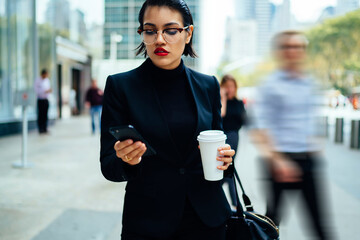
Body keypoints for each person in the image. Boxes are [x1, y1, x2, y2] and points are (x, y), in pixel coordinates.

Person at [100, 1, 236, 239]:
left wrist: (225, 161)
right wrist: (127, 160)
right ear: (142, 34)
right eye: (150, 31)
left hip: (207, 220)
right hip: (148, 222)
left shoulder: (209, 85)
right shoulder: (120, 86)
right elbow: (109, 166)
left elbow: (217, 149)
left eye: (171, 30)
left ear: (188, 33)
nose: (159, 40)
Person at [252, 31, 335, 239]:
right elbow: (260, 129)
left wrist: (315, 145)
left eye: (298, 47)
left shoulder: (309, 83)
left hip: (307, 159)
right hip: (279, 160)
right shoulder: (270, 85)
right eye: (288, 47)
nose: (293, 51)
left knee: (319, 224)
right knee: (271, 223)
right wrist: (279, 162)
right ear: (280, 52)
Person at [220, 74, 247, 209]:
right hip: (222, 137)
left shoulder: (239, 102)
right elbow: (221, 115)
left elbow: (243, 120)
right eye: (227, 86)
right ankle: (236, 204)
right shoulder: (220, 102)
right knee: (228, 168)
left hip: (233, 136)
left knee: (229, 166)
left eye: (232, 86)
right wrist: (223, 97)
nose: (229, 89)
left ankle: (235, 203)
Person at [34, 69, 52, 134]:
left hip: (46, 99)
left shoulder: (47, 80)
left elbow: (48, 89)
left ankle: (45, 128)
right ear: (43, 74)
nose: (47, 75)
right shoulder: (37, 81)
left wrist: (49, 91)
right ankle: (40, 129)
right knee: (40, 114)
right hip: (40, 99)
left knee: (45, 114)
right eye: (46, 74)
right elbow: (37, 91)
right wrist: (44, 91)